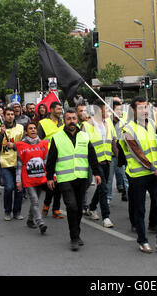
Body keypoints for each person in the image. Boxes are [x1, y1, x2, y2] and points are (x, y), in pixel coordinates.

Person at [119, 96, 157, 255]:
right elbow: (137, 154)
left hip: (156, 174)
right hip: (138, 176)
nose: (144, 110)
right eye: (141, 108)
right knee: (140, 209)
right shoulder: (127, 129)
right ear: (133, 111)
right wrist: (153, 168)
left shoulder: (153, 124)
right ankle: (143, 241)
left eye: (146, 107)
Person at [46, 109, 101, 251]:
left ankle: (77, 233)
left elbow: (92, 156)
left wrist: (96, 173)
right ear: (64, 121)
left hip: (81, 177)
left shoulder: (84, 136)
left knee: (78, 209)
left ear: (78, 120)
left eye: (74, 118)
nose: (71, 121)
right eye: (68, 118)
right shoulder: (57, 137)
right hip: (65, 179)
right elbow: (51, 160)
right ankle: (74, 238)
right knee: (71, 206)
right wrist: (49, 177)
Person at [83, 99, 115, 228]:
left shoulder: (108, 123)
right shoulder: (87, 125)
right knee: (104, 188)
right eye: (105, 108)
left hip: (107, 159)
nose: (107, 111)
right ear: (98, 110)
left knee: (102, 186)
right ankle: (106, 217)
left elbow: (113, 140)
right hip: (95, 161)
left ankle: (91, 207)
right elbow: (84, 144)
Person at [0, 108, 24, 221]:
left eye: (12, 114)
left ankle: (17, 211)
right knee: (9, 188)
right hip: (5, 163)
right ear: (4, 116)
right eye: (8, 114)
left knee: (19, 189)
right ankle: (7, 211)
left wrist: (14, 145)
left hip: (18, 163)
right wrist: (1, 134)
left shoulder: (20, 128)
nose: (10, 116)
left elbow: (24, 143)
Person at [15, 122, 48, 235]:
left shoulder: (43, 144)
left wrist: (50, 176)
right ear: (26, 132)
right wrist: (18, 180)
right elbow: (19, 165)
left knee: (36, 201)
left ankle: (30, 220)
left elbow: (46, 162)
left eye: (34, 128)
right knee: (34, 201)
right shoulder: (21, 145)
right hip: (27, 179)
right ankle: (40, 222)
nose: (33, 130)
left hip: (40, 178)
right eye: (30, 129)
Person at [37, 101, 65, 219]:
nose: (60, 111)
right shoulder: (43, 123)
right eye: (58, 109)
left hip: (63, 156)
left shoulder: (64, 123)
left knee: (59, 183)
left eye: (61, 109)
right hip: (48, 158)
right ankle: (47, 204)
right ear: (52, 109)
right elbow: (38, 141)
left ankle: (55, 209)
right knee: (52, 183)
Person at [107, 100, 128, 202]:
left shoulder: (125, 120)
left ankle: (128, 194)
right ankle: (108, 199)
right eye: (117, 109)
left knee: (125, 176)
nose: (120, 112)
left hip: (123, 154)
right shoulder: (107, 121)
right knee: (109, 179)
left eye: (121, 109)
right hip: (110, 155)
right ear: (111, 110)